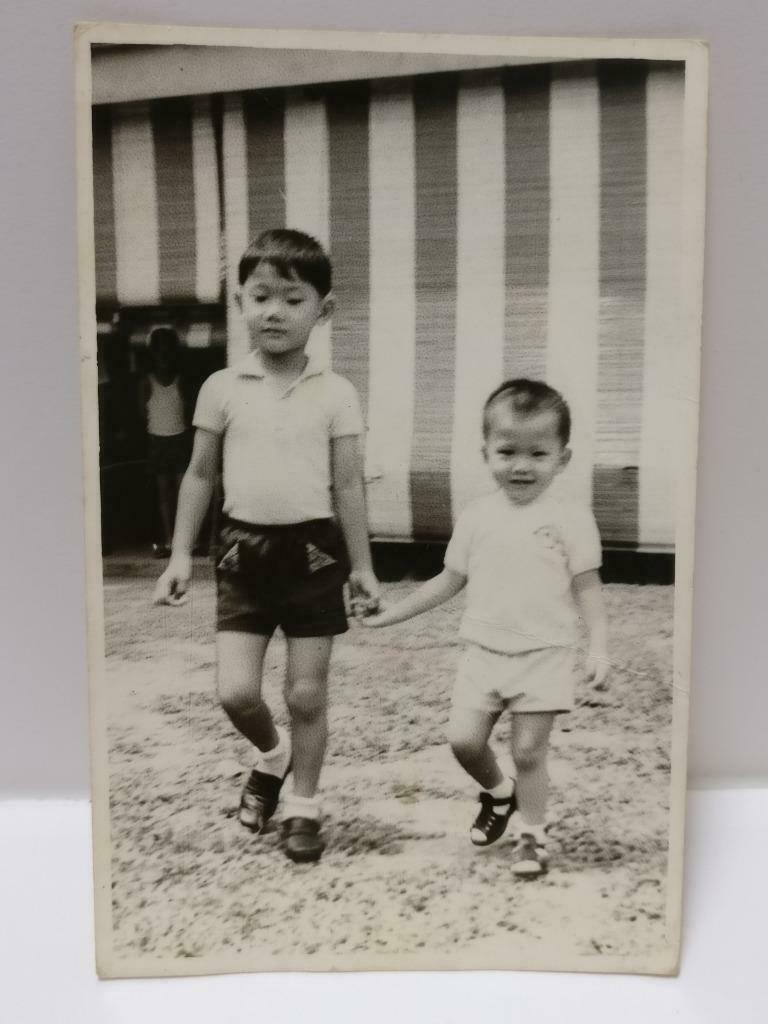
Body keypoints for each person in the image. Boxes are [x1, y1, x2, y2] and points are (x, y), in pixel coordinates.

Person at [153, 229, 380, 863]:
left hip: (313, 555)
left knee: (306, 693)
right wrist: (179, 556)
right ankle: (272, 755)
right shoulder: (222, 387)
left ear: (322, 310)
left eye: (292, 298)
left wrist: (362, 567)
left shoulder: (337, 393)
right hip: (240, 554)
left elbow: (348, 483)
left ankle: (304, 806)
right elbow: (199, 473)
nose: (274, 311)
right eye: (260, 297)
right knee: (236, 693)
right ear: (241, 303)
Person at [364, 379, 608, 876]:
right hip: (484, 654)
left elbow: (587, 587)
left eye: (538, 453)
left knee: (529, 750)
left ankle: (532, 837)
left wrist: (598, 647)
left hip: (546, 653)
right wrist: (392, 613)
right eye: (507, 451)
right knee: (464, 741)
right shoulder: (477, 516)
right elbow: (448, 580)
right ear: (486, 453)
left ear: (562, 457)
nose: (521, 465)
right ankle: (500, 794)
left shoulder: (571, 518)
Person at [139, 326, 192, 558]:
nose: (163, 357)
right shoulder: (146, 382)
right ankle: (169, 541)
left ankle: (184, 541)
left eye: (167, 351)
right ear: (153, 354)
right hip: (157, 443)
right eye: (159, 352)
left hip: (179, 441)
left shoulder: (182, 380)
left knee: (184, 494)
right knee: (164, 497)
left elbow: (188, 412)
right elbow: (142, 414)